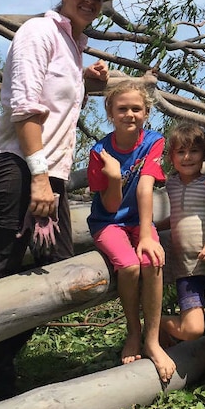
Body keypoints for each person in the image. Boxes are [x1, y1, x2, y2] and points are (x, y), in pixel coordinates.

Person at [0, 0, 111, 408]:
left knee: (55, 268)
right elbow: (25, 108)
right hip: (18, 169)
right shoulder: (37, 33)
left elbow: (59, 96)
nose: (91, 2)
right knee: (1, 271)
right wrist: (39, 178)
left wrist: (88, 80)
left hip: (48, 174)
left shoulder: (72, 46)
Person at [86, 78, 175, 383]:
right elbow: (110, 208)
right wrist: (113, 176)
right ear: (110, 111)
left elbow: (146, 187)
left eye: (136, 109)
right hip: (107, 222)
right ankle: (133, 332)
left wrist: (148, 234)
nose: (130, 114)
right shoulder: (99, 151)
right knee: (129, 265)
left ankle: (152, 340)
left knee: (152, 261)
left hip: (140, 221)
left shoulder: (153, 141)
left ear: (146, 113)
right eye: (122, 108)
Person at [159, 123, 205, 409]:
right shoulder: (171, 182)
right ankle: (154, 326)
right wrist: (153, 227)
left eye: (194, 151)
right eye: (181, 152)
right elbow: (179, 216)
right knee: (192, 330)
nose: (188, 157)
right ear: (171, 156)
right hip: (186, 268)